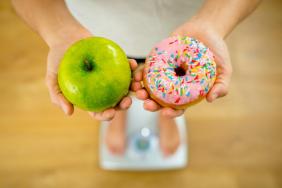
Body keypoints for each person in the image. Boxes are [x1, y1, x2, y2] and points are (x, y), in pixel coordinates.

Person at [12, 0, 260, 156]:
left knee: (169, 95)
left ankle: (165, 115)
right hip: (93, 32)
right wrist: (59, 31)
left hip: (186, 25)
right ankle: (117, 116)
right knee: (119, 87)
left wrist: (213, 24)